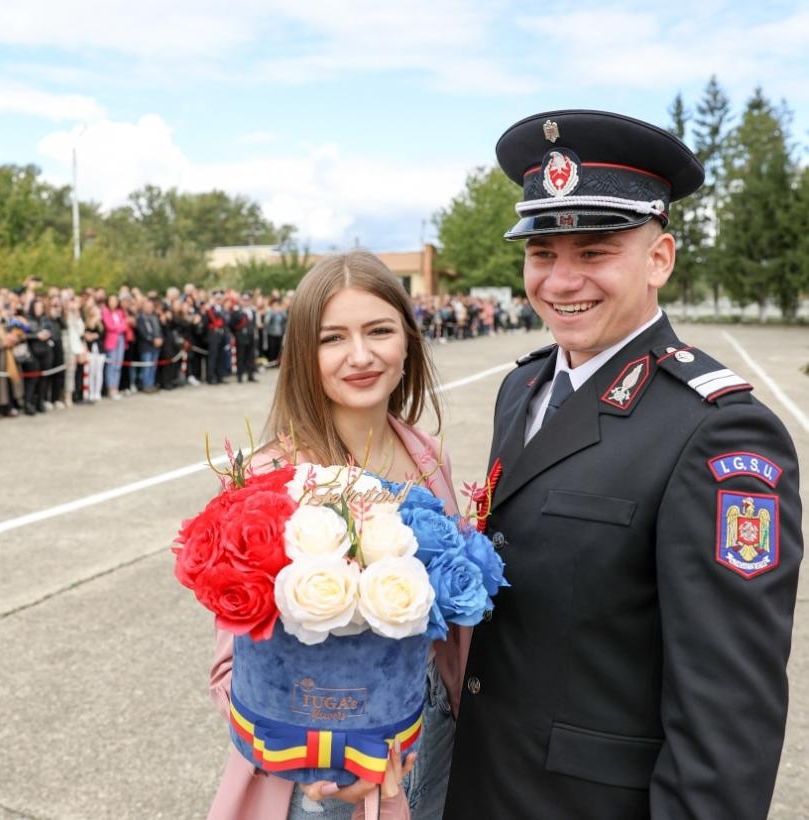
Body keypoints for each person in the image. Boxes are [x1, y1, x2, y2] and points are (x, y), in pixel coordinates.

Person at [443, 110, 803, 820]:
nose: (560, 279)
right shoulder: (524, 389)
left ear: (659, 258)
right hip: (487, 787)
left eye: (595, 251)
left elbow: (727, 719)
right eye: (542, 253)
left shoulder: (718, 431)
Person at [207, 250, 468, 820]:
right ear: (303, 353)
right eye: (332, 338)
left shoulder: (428, 455)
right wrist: (316, 761)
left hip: (426, 737)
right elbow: (231, 663)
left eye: (379, 331)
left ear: (409, 342)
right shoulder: (271, 479)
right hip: (319, 774)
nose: (360, 356)